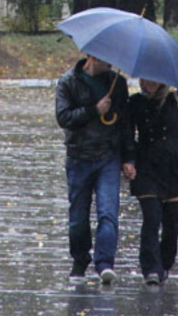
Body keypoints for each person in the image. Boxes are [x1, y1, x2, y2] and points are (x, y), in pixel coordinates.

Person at [55, 55, 135, 284]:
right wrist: (94, 110)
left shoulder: (116, 83)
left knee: (108, 212)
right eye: (104, 58)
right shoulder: (68, 82)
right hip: (79, 157)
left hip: (108, 157)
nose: (110, 62)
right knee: (78, 217)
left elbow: (124, 122)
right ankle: (80, 261)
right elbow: (64, 117)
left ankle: (105, 263)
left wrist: (129, 157)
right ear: (91, 57)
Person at [125, 78, 178, 287]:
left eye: (152, 80)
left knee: (171, 221)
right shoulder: (135, 102)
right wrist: (129, 160)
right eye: (143, 79)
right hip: (146, 167)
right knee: (151, 217)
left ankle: (165, 263)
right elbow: (128, 134)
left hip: (173, 168)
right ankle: (150, 268)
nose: (147, 83)